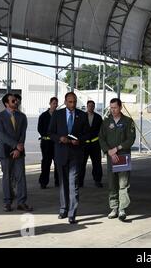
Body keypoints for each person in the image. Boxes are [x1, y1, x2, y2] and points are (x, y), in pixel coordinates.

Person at [48, 92, 90, 224]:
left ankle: (72, 213)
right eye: (70, 102)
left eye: (75, 102)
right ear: (65, 102)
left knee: (73, 184)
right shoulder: (57, 114)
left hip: (76, 155)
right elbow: (50, 132)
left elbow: (87, 134)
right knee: (63, 184)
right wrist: (59, 138)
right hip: (61, 154)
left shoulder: (82, 115)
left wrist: (80, 141)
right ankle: (63, 209)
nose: (73, 104)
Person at [99, 98, 136, 221]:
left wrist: (117, 148)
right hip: (111, 157)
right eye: (111, 107)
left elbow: (130, 139)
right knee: (112, 183)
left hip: (123, 156)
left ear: (120, 107)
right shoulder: (106, 122)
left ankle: (122, 209)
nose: (113, 110)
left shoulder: (128, 121)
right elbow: (101, 138)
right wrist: (108, 151)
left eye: (115, 107)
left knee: (123, 184)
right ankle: (114, 208)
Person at [0, 93, 33, 212]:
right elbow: (1, 135)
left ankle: (22, 202)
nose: (16, 102)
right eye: (13, 101)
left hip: (19, 151)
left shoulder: (22, 117)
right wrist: (15, 145)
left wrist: (18, 148)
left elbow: (23, 134)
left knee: (21, 177)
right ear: (6, 103)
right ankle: (7, 202)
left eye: (16, 100)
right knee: (6, 177)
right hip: (5, 151)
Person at [78, 100, 103, 188]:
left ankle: (97, 180)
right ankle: (80, 182)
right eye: (89, 106)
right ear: (87, 106)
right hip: (84, 144)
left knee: (97, 163)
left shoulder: (98, 118)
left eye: (92, 106)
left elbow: (101, 131)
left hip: (95, 144)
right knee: (81, 164)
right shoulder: (81, 117)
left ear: (94, 107)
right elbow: (78, 130)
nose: (91, 107)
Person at [37, 97, 60, 189]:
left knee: (58, 162)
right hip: (46, 142)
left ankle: (58, 181)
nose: (55, 105)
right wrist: (48, 135)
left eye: (56, 103)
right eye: (53, 103)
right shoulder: (43, 116)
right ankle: (43, 182)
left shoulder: (59, 115)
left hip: (56, 143)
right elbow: (40, 128)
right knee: (46, 162)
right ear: (50, 103)